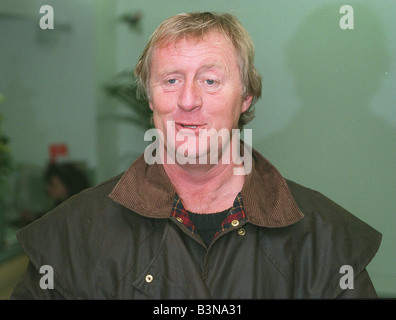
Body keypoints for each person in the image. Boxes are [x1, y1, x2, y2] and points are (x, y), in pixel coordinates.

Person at [11, 12, 381, 299]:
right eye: (171, 80)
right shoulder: (70, 236)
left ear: (246, 98)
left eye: (210, 80)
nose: (188, 101)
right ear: (151, 99)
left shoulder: (324, 238)